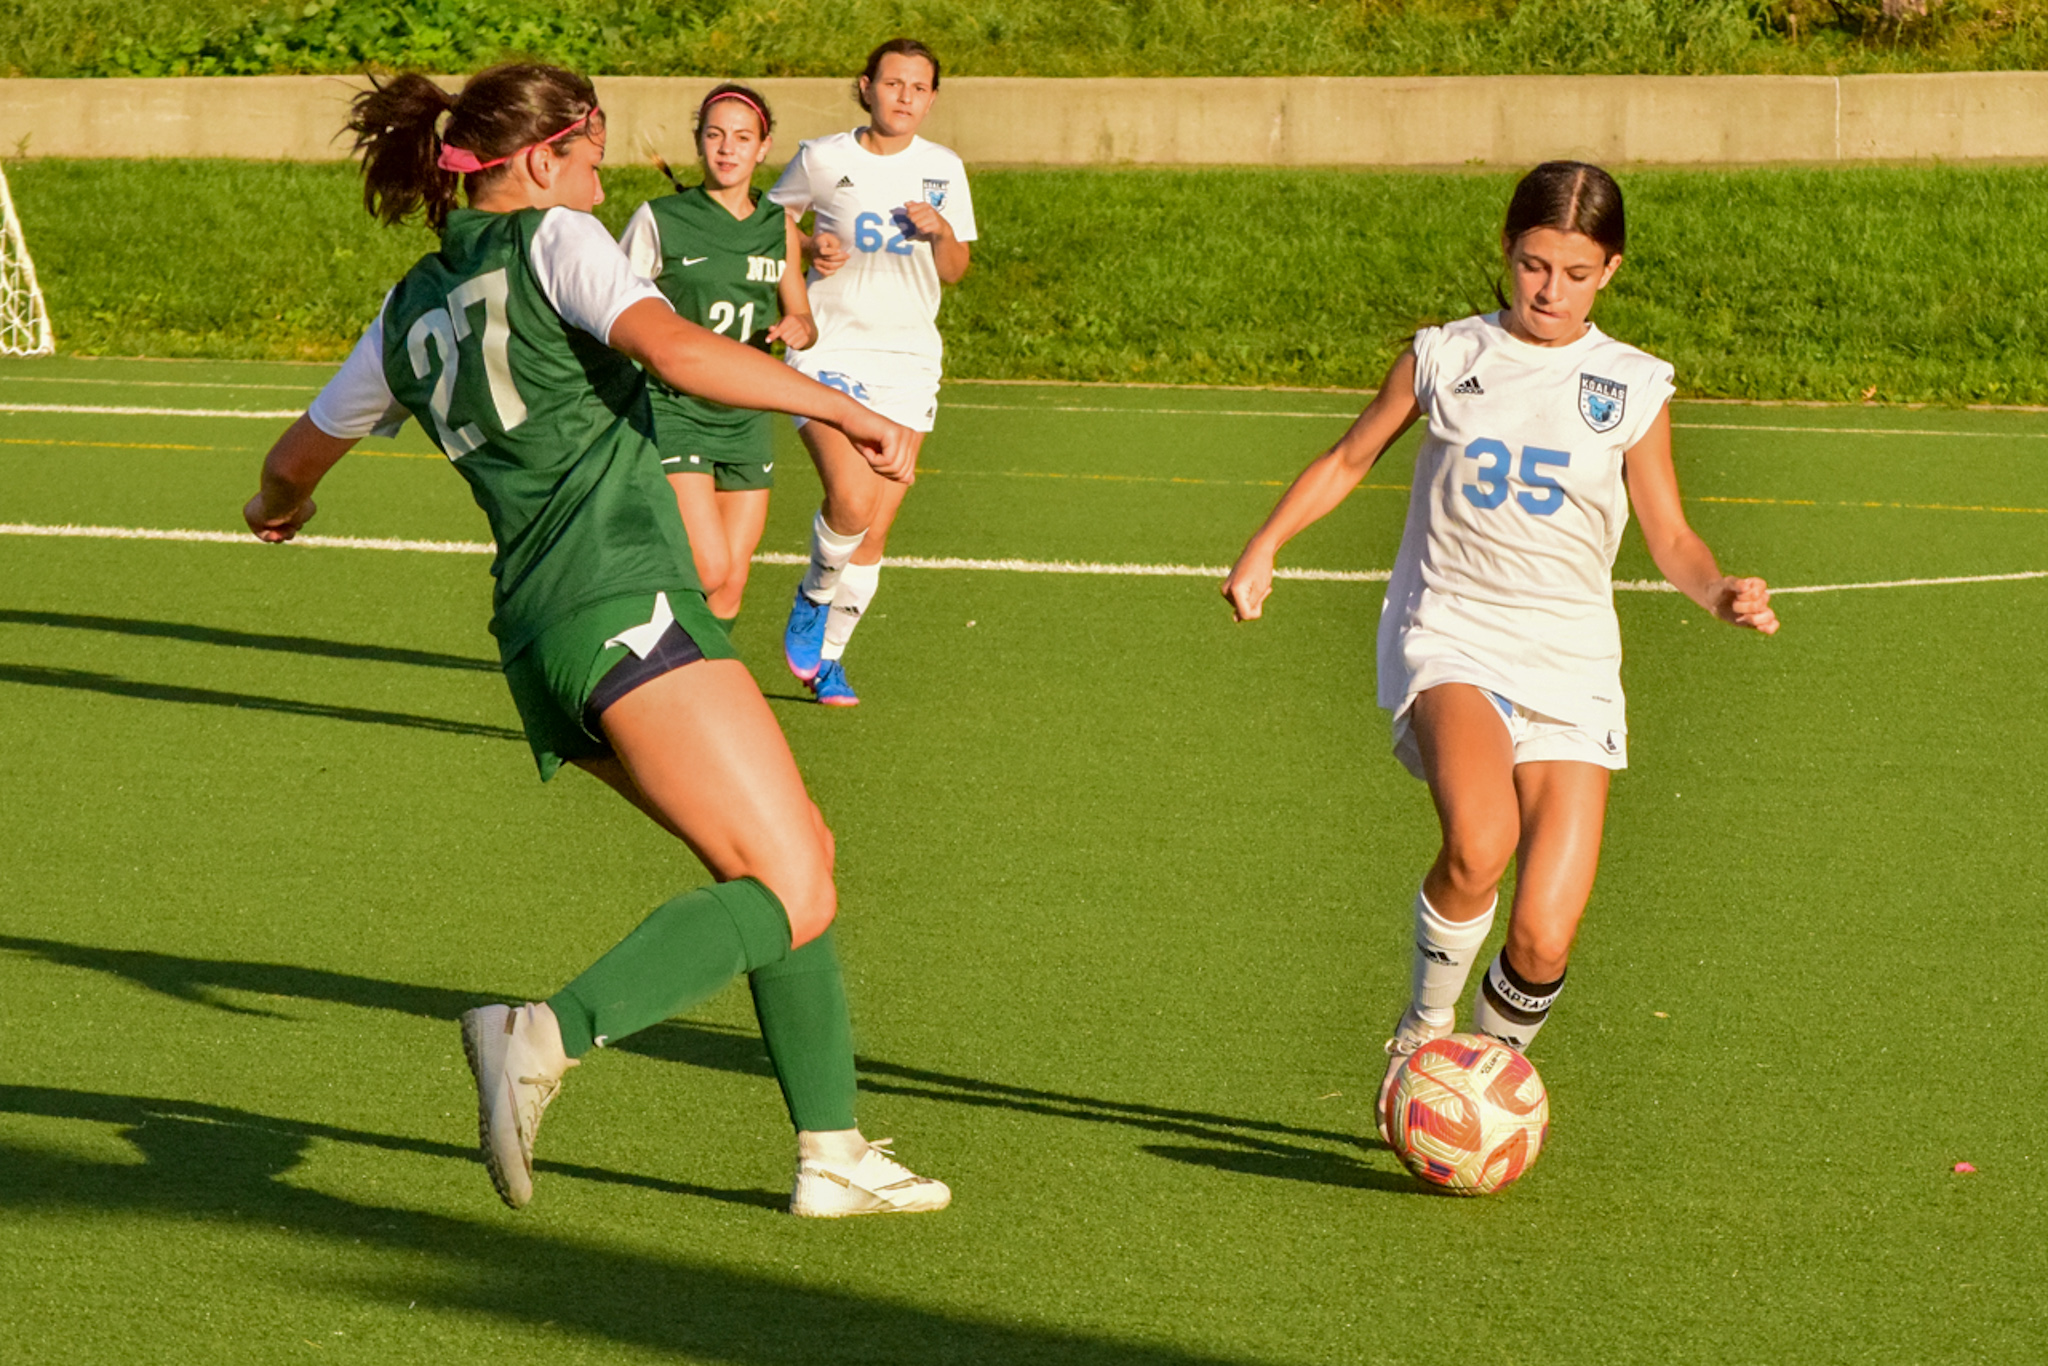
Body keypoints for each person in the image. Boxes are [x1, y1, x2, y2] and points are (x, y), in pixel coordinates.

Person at [242, 63, 950, 1217]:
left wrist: (275, 508)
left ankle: (831, 1150)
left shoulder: (407, 306)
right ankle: (544, 1032)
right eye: (588, 154)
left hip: (539, 639)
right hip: (625, 599)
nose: (597, 175)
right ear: (536, 163)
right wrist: (840, 405)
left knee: (785, 855)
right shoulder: (557, 239)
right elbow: (673, 352)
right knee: (788, 875)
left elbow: (294, 459)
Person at [1220, 161, 1779, 1140]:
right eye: (1530, 265)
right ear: (1505, 253)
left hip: (1570, 665)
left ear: (1608, 269)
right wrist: (1266, 545)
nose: (1547, 291)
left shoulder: (1631, 385)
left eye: (1572, 271)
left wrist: (1718, 591)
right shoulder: (1444, 355)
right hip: (1451, 636)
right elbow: (1349, 457)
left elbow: (1671, 538)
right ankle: (1424, 1028)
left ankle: (1478, 1083)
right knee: (1479, 842)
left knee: (1542, 933)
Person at [768, 37, 976, 706]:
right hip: (827, 351)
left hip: (909, 363)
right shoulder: (823, 158)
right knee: (851, 499)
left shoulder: (944, 167)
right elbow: (771, 225)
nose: (905, 97)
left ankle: (828, 660)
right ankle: (811, 596)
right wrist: (808, 245)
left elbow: (955, 269)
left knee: (875, 530)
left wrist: (942, 230)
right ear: (866, 87)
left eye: (919, 88)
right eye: (893, 84)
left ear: (933, 98)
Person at [617, 83, 816, 628]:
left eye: (742, 137)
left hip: (747, 411)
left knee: (731, 583)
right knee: (707, 568)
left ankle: (694, 682)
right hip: (675, 407)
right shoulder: (660, 218)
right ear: (700, 143)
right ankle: (624, 633)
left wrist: (799, 326)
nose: (727, 148)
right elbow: (605, 306)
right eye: (715, 135)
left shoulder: (778, 226)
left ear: (763, 147)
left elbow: (802, 313)